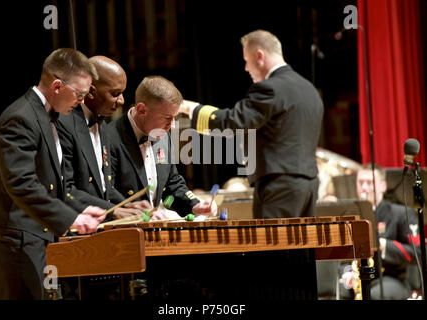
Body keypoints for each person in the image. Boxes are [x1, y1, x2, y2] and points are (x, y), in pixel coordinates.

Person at [0, 48, 106, 300]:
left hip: (37, 238)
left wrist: (82, 210)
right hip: (14, 242)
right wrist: (71, 219)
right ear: (58, 86)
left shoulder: (52, 118)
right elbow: (22, 185)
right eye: (80, 94)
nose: (82, 101)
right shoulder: (19, 118)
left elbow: (53, 184)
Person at [180, 29, 324, 219]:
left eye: (246, 61)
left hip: (279, 184)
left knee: (273, 249)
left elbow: (233, 122)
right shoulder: (308, 89)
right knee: (301, 248)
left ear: (259, 56)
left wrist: (192, 109)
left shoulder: (271, 88)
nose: (246, 68)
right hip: (309, 185)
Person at [108, 75, 217, 219]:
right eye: (167, 118)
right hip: (122, 231)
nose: (172, 125)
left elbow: (172, 183)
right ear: (141, 110)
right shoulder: (109, 137)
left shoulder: (163, 137)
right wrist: (137, 215)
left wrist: (194, 205)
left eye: (175, 118)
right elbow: (106, 192)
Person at [57, 56, 151, 220]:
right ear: (91, 91)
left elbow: (102, 185)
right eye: (115, 94)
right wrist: (113, 210)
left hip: (99, 225)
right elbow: (66, 189)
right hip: (74, 229)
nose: (121, 100)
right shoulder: (64, 124)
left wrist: (126, 205)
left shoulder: (103, 127)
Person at [340, 164, 421, 300]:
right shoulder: (351, 215)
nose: (364, 188)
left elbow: (416, 253)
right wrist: (347, 273)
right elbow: (343, 256)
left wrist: (383, 245)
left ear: (383, 186)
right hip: (360, 277)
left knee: (373, 295)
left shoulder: (401, 213)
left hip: (393, 279)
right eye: (360, 183)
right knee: (339, 292)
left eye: (370, 182)